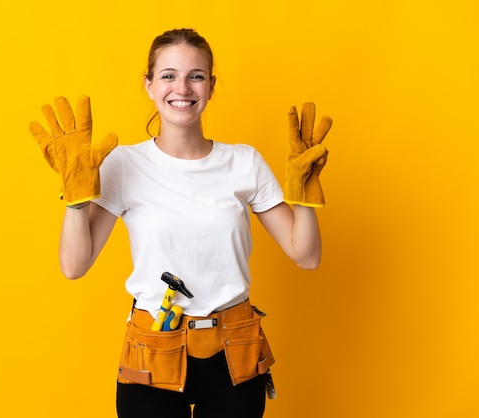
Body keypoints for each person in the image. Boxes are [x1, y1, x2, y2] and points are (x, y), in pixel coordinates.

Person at [30, 28, 332, 418]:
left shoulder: (244, 162)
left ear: (211, 85)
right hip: (151, 353)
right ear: (149, 85)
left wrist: (303, 195)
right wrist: (75, 200)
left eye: (196, 75)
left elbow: (306, 255)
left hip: (234, 355)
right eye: (169, 75)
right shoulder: (122, 165)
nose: (183, 88)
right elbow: (74, 265)